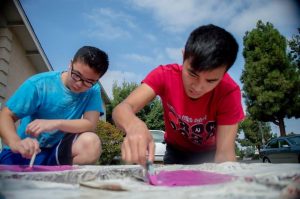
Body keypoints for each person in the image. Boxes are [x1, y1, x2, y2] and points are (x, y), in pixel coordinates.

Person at [112, 24, 244, 166]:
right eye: (192, 74)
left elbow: (224, 153)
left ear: (224, 73)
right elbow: (122, 108)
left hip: (211, 153)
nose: (198, 87)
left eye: (211, 80)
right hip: (176, 152)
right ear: (183, 56)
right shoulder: (164, 75)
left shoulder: (229, 91)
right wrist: (133, 125)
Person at [0, 46, 109, 165]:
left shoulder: (93, 90)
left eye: (88, 82)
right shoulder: (39, 84)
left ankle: (61, 177)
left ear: (96, 80)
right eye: (76, 75)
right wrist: (15, 142)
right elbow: (5, 115)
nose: (79, 84)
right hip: (25, 150)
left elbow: (90, 124)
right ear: (70, 64)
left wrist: (55, 123)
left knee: (91, 143)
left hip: (55, 152)